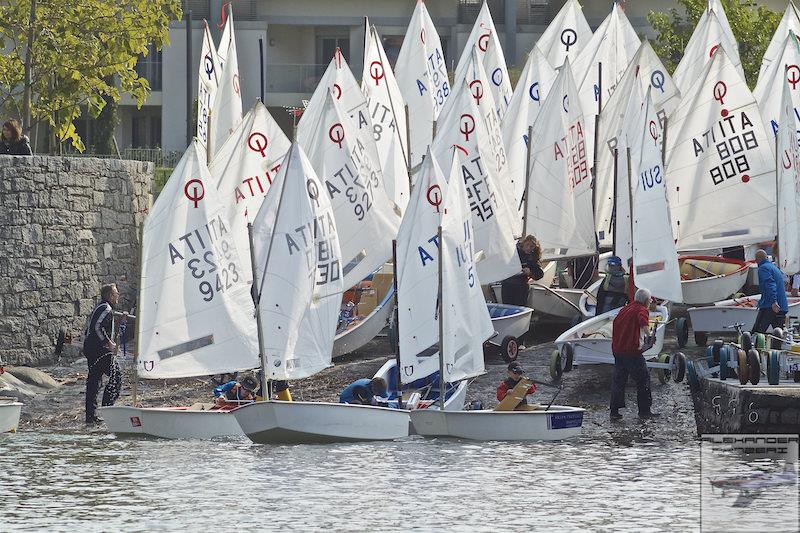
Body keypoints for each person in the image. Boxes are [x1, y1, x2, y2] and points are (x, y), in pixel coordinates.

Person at [610, 288, 657, 420]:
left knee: (619, 380)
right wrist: (649, 335)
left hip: (618, 350)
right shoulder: (641, 309)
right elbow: (643, 321)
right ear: (646, 301)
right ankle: (644, 411)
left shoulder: (624, 309)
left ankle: (614, 411)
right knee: (643, 379)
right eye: (650, 300)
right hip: (631, 351)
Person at [83, 283, 122, 424]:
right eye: (116, 293)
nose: (117, 296)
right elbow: (96, 327)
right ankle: (108, 410)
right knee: (116, 376)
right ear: (110, 296)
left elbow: (91, 328)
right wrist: (108, 343)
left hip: (91, 349)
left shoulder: (100, 307)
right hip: (100, 351)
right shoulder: (106, 308)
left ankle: (90, 416)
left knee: (94, 382)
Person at [501, 235, 544, 306]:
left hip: (521, 285)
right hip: (508, 284)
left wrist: (530, 272)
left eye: (531, 246)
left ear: (534, 247)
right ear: (523, 243)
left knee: (519, 307)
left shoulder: (533, 257)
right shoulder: (513, 251)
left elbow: (540, 274)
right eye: (527, 245)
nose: (528, 248)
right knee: (507, 306)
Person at [753, 249, 789, 333]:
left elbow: (769, 285)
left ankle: (754, 345)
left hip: (770, 306)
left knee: (757, 332)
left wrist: (773, 301)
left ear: (757, 260)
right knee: (779, 334)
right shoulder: (774, 268)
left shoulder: (763, 268)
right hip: (781, 306)